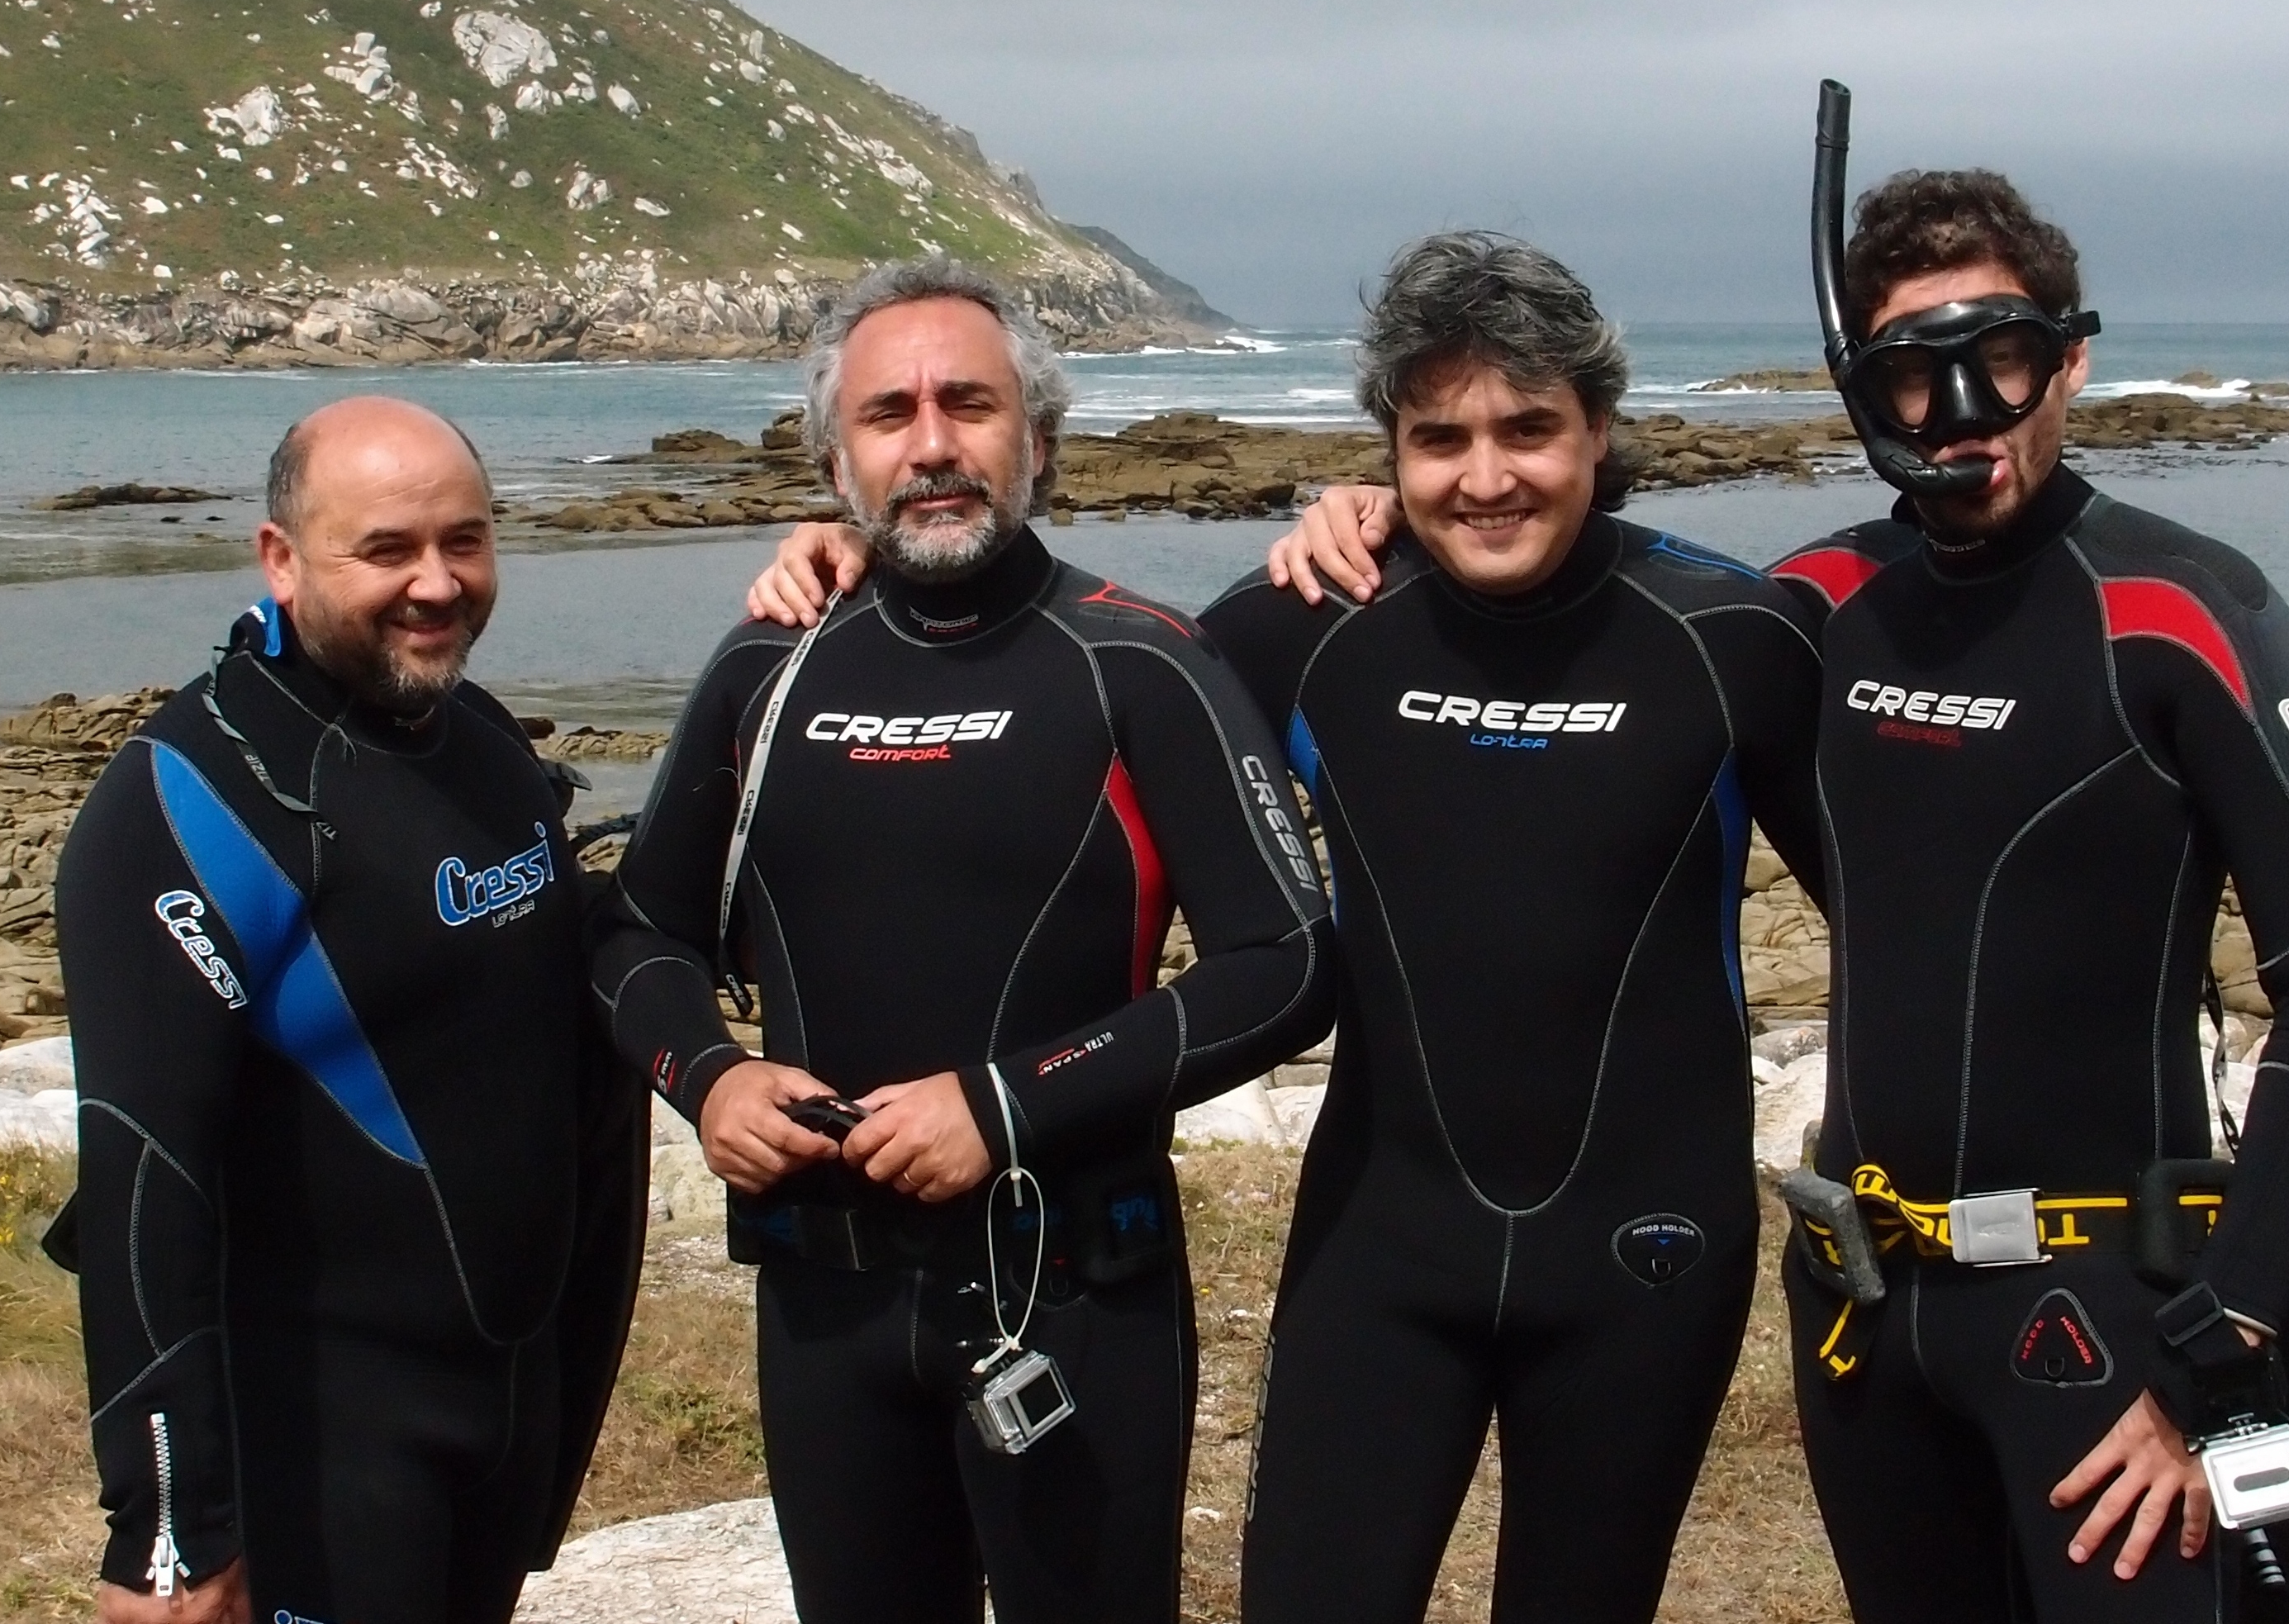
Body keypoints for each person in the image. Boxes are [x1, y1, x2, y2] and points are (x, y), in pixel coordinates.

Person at [1270, 159, 2289, 1622]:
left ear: (2069, 357)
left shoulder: (2184, 614)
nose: (1962, 416)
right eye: (1911, 377)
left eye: (2000, 358)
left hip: (2117, 1319)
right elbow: (1603, 611)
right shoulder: (1807, 609)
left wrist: (2224, 1331)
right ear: (1864, 390)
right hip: (1865, 1310)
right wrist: (1371, 509)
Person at [743, 232, 1829, 1623]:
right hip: (1381, 1254)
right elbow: (1053, 662)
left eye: (1528, 429)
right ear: (1388, 450)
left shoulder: (1733, 640)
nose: (1485, 475)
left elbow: (1901, 899)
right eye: (1438, 437)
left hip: (1645, 1259)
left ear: (1599, 429)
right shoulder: (1299, 627)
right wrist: (862, 555)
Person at [591, 258, 1336, 1624]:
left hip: (1073, 1293)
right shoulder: (769, 667)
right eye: (889, 413)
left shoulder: (1141, 664)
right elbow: (638, 931)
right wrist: (707, 1075)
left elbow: (1285, 960)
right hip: (826, 1305)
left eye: (968, 404)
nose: (931, 443)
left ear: (1036, 438)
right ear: (835, 457)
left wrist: (1002, 1106)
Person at [56, 396, 647, 1624]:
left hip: (506, 1407)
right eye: (385, 549)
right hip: (321, 1441)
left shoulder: (479, 742)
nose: (436, 584)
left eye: (465, 541)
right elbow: (144, 1173)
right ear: (280, 558)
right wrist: (168, 1527)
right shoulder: (191, 800)